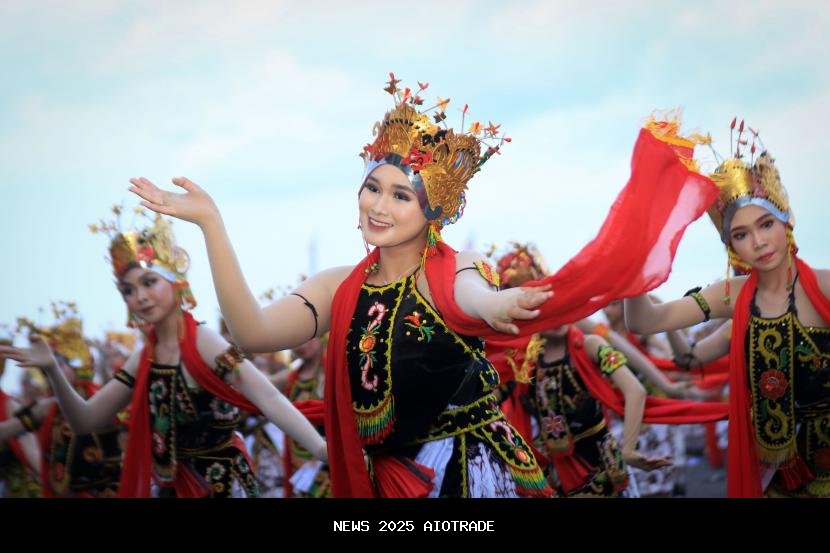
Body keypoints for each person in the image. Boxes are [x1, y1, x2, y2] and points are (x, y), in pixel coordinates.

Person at [125, 77, 720, 497]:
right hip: (387, 479)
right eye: (372, 187)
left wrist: (501, 302)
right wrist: (211, 223)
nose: (378, 206)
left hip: (464, 474)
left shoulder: (455, 268)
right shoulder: (337, 287)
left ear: (432, 209)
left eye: (400, 195)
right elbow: (252, 333)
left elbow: (472, 295)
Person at [0, 210, 326, 497]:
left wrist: (321, 448)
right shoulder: (145, 357)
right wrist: (52, 370)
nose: (139, 297)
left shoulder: (204, 343)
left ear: (175, 280)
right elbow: (86, 420)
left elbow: (269, 398)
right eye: (128, 290)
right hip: (172, 488)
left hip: (221, 485)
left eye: (149, 282)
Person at [624, 118, 830, 497]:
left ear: (786, 220)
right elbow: (644, 321)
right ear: (731, 246)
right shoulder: (733, 296)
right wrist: (634, 254)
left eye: (765, 224)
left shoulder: (825, 286)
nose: (758, 242)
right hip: (775, 478)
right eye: (741, 234)